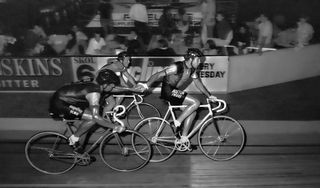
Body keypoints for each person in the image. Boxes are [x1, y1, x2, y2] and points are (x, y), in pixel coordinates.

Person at [49, 69, 140, 149]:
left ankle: (78, 150)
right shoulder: (94, 93)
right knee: (93, 118)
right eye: (111, 85)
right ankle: (73, 139)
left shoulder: (98, 84)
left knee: (85, 126)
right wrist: (115, 127)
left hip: (69, 101)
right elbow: (96, 117)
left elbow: (115, 89)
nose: (113, 87)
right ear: (104, 85)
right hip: (60, 103)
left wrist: (131, 89)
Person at [137, 48, 215, 141]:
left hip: (175, 91)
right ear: (191, 59)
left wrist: (209, 95)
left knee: (192, 113)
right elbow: (158, 75)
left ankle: (183, 139)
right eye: (198, 60)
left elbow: (198, 83)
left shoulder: (192, 69)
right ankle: (176, 123)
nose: (199, 62)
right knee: (196, 103)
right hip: (168, 91)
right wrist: (146, 85)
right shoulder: (177, 66)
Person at [96, 51, 137, 119]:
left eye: (129, 60)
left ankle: (113, 112)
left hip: (105, 84)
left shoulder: (121, 65)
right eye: (127, 60)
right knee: (115, 100)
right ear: (121, 60)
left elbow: (128, 76)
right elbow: (121, 81)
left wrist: (135, 85)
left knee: (115, 100)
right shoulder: (116, 66)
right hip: (100, 85)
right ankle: (108, 116)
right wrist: (130, 89)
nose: (129, 62)